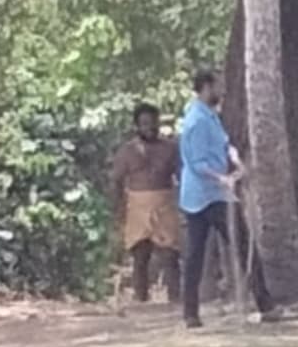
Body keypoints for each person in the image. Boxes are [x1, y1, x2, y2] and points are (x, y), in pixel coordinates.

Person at [178, 69, 270, 327]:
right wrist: (222, 178)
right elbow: (197, 163)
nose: (222, 90)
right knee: (198, 253)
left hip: (218, 192)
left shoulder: (211, 117)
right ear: (206, 88)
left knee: (242, 243)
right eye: (218, 86)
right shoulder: (195, 120)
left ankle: (265, 304)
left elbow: (224, 144)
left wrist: (235, 160)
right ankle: (190, 313)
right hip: (202, 196)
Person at [109, 102, 182, 303]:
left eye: (153, 123)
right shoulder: (127, 151)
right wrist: (119, 209)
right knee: (140, 256)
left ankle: (175, 300)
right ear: (136, 126)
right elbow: (116, 181)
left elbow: (182, 176)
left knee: (170, 255)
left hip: (164, 205)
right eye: (144, 123)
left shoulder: (170, 148)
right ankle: (141, 300)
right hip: (137, 207)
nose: (149, 127)